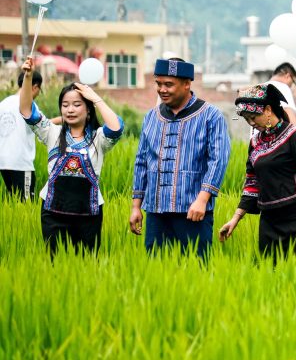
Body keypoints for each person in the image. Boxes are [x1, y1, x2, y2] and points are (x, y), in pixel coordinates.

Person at [18, 57, 123, 254]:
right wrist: (28, 77)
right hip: (53, 213)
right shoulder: (52, 133)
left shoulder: (98, 139)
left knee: (86, 266)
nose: (70, 109)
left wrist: (95, 98)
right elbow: (26, 110)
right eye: (65, 105)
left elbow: (116, 128)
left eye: (77, 104)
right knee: (55, 265)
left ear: (88, 111)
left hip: (89, 215)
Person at [130, 58, 231, 258]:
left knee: (195, 271)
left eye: (169, 84)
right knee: (157, 273)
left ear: (187, 84)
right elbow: (141, 161)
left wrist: (202, 200)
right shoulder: (151, 117)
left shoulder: (211, 116)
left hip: (193, 212)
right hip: (156, 212)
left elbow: (218, 160)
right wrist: (136, 206)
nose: (162, 89)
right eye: (158, 84)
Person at [218, 84, 296, 260]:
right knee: (270, 273)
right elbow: (252, 184)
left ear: (268, 110)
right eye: (247, 119)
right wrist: (235, 219)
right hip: (268, 220)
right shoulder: (255, 143)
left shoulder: (294, 136)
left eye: (253, 117)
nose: (251, 123)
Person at [1, 65, 42, 200]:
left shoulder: (3, 104)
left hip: (4, 163)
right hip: (21, 163)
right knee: (26, 203)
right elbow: (43, 125)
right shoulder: (30, 105)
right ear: (35, 87)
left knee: (14, 202)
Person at [265, 62, 296, 130]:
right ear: (287, 76)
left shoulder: (259, 88)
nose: (291, 86)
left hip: (257, 139)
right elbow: (290, 116)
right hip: (276, 138)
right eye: (293, 82)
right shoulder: (282, 87)